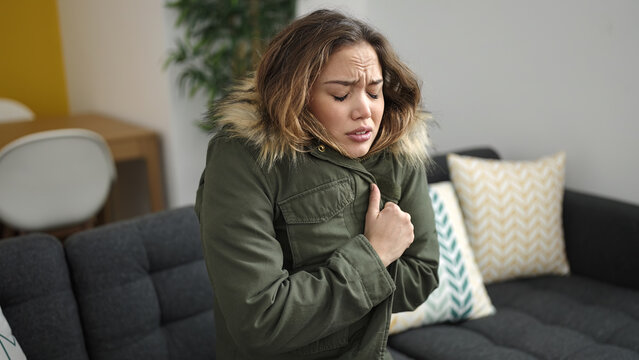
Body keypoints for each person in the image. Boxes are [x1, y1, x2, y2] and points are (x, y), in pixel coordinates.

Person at [195, 9, 439, 360]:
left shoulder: (398, 144)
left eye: (374, 92)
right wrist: (376, 255)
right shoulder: (245, 158)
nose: (365, 111)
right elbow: (261, 321)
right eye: (341, 95)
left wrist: (314, 299)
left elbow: (422, 276)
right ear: (297, 94)